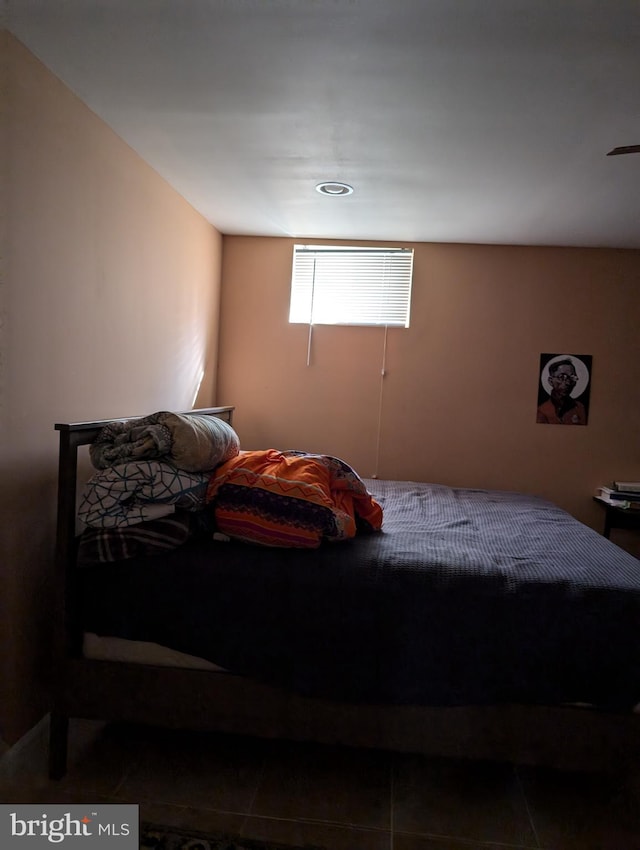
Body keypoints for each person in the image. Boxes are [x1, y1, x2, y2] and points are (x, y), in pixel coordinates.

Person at [536, 358, 587, 425]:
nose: (568, 383)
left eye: (571, 377)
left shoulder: (580, 408)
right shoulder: (542, 410)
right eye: (562, 377)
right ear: (551, 381)